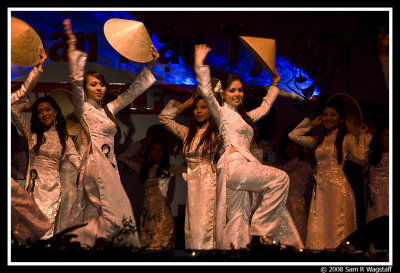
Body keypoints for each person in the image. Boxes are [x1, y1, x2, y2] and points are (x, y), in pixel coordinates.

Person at [194, 44, 303, 250]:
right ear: (224, 94)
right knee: (281, 178)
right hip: (235, 167)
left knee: (239, 217)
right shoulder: (222, 113)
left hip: (237, 172)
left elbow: (264, 108)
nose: (237, 94)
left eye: (240, 90)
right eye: (232, 90)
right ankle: (261, 227)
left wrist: (274, 86)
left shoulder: (244, 118)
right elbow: (207, 93)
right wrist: (200, 64)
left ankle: (236, 252)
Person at [63, 19, 159, 248]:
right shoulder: (83, 108)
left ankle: (90, 248)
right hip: (95, 164)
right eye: (94, 84)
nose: (99, 88)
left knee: (96, 214)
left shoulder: (109, 109)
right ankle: (122, 249)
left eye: (101, 84)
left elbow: (132, 92)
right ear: (85, 89)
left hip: (110, 165)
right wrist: (71, 43)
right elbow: (76, 82)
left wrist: (151, 66)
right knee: (117, 208)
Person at [11, 47, 81, 240]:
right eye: (40, 111)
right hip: (33, 189)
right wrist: (38, 68)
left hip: (53, 191)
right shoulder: (31, 133)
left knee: (46, 235)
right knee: (27, 235)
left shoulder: (64, 138)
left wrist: (92, 172)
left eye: (48, 110)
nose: (44, 114)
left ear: (55, 112)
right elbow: (13, 110)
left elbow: (76, 160)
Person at [288, 99, 371, 250]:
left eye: (333, 115)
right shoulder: (318, 141)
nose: (328, 118)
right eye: (325, 114)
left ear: (341, 119)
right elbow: (294, 136)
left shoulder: (347, 139)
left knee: (337, 230)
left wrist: (364, 137)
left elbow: (360, 158)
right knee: (319, 232)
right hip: (320, 191)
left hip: (339, 191)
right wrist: (312, 123)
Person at [159, 92, 220, 250]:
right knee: (193, 224)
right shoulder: (187, 133)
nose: (198, 111)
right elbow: (163, 118)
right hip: (193, 182)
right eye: (196, 108)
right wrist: (184, 105)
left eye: (204, 108)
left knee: (205, 224)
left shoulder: (216, 134)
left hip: (208, 181)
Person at [118, 136, 186, 250]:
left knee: (162, 251)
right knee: (147, 250)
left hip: (163, 216)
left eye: (161, 150)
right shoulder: (142, 169)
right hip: (147, 215)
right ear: (149, 151)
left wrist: (180, 152)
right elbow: (122, 157)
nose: (157, 152)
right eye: (154, 149)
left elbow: (192, 169)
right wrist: (139, 144)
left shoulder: (169, 169)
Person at [365, 113, 389, 223]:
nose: (389, 139)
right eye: (386, 135)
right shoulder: (371, 157)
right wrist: (366, 135)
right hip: (375, 204)